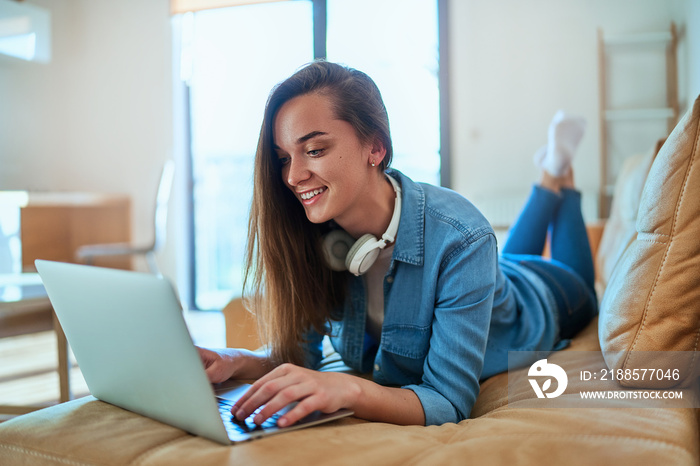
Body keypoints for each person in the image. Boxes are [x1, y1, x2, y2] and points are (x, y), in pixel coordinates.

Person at [197, 61, 598, 428]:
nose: (293, 176)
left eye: (315, 150)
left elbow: (447, 402)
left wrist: (350, 390)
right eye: (283, 158)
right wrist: (234, 360)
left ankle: (557, 171)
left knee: (579, 279)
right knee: (506, 257)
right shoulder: (313, 235)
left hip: (547, 297)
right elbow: (301, 357)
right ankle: (552, 170)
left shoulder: (462, 236)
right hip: (491, 276)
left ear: (376, 148)